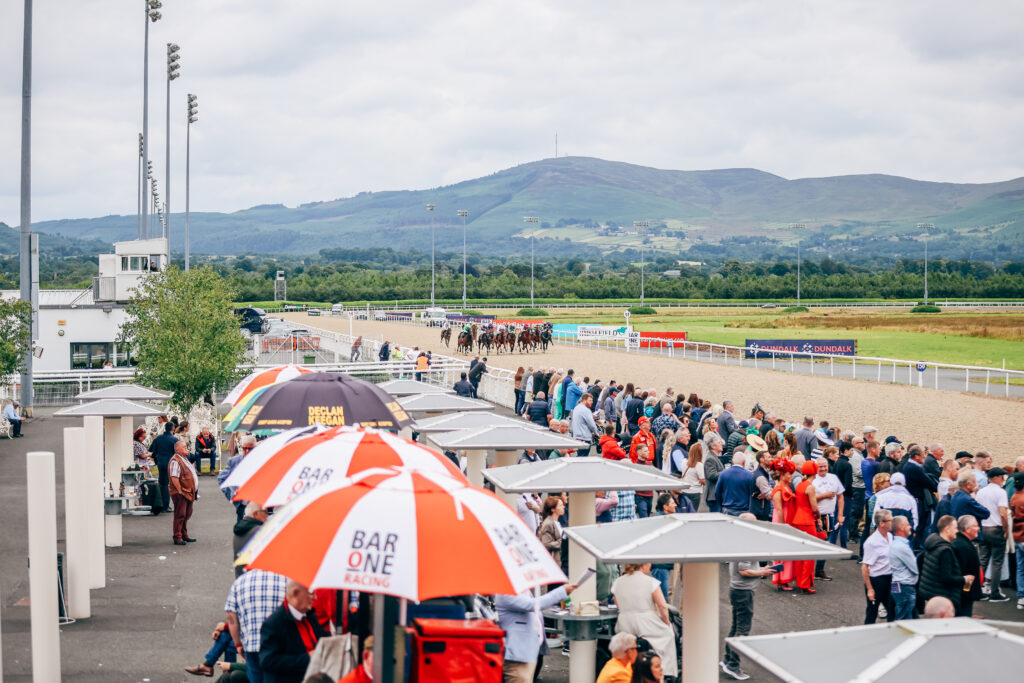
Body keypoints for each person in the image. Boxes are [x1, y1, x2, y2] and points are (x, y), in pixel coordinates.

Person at [721, 513, 776, 681]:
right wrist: (763, 572)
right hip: (743, 592)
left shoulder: (740, 541)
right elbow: (744, 571)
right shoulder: (746, 544)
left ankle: (728, 660)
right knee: (742, 631)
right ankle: (733, 665)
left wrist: (761, 568)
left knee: (735, 627)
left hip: (738, 590)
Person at [495, 580, 578, 682]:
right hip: (517, 656)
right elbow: (532, 604)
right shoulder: (506, 591)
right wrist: (562, 591)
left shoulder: (520, 589)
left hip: (526, 652)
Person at [611, 565, 677, 679]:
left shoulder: (618, 581)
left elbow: (617, 603)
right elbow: (662, 606)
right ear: (643, 565)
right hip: (645, 621)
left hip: (624, 623)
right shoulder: (651, 582)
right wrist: (666, 622)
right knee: (668, 634)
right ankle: (665, 672)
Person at [224, 569, 289, 683]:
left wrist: (238, 644)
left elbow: (231, 616)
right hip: (280, 645)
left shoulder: (240, 582)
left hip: (252, 645)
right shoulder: (287, 581)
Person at [259, 580, 328, 683]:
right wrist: (307, 658)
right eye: (311, 593)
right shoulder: (274, 623)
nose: (315, 597)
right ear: (295, 593)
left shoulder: (309, 616)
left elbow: (322, 637)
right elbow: (267, 661)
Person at [919, 515, 971, 616]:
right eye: (955, 528)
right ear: (947, 529)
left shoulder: (933, 543)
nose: (957, 531)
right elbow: (946, 577)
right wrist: (964, 579)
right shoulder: (945, 550)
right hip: (943, 597)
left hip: (931, 593)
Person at [976, 467, 1011, 602]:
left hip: (983, 528)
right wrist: (1006, 529)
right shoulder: (1000, 492)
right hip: (996, 528)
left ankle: (979, 590)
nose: (1003, 480)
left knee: (983, 560)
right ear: (996, 478)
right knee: (997, 562)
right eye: (1002, 477)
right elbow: (1003, 513)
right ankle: (995, 592)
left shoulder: (981, 492)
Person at [812, 457, 845, 581]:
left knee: (826, 544)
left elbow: (840, 496)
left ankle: (819, 570)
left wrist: (840, 514)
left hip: (829, 516)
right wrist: (824, 495)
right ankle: (810, 570)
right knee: (814, 544)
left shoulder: (833, 478)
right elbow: (808, 499)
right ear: (816, 467)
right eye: (820, 466)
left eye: (825, 466)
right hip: (816, 516)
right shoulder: (812, 479)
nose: (823, 468)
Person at [792, 461, 821, 594]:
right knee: (810, 554)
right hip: (807, 521)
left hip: (797, 519)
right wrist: (819, 518)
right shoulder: (810, 487)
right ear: (814, 473)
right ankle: (805, 583)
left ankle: (799, 581)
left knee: (800, 553)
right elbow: (814, 507)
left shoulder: (800, 485)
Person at [862, 509, 895, 623]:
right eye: (891, 520)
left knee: (892, 610)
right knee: (872, 612)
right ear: (882, 523)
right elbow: (865, 566)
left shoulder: (890, 537)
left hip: (890, 579)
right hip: (877, 581)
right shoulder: (871, 542)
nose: (893, 522)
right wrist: (870, 589)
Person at [952, 514, 983, 616]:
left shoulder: (961, 543)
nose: (978, 528)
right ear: (967, 529)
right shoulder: (964, 547)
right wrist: (967, 592)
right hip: (964, 594)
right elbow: (964, 572)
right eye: (975, 526)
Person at [889, 516, 919, 619]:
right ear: (901, 527)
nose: (910, 527)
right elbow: (915, 568)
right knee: (905, 621)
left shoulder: (895, 544)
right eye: (907, 524)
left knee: (903, 615)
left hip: (897, 584)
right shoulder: (902, 547)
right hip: (905, 587)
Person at [169, 440, 198, 545]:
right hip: (181, 492)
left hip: (188, 491)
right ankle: (177, 537)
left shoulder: (184, 458)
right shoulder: (175, 460)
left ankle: (184, 535)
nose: (187, 448)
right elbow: (174, 477)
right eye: (184, 447)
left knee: (187, 514)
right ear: (178, 450)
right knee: (180, 515)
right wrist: (180, 490)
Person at [149, 421, 179, 515]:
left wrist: (156, 459)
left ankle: (160, 502)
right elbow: (178, 452)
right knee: (166, 484)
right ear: (173, 429)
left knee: (161, 483)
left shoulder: (158, 438)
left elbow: (152, 451)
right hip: (170, 463)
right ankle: (165, 506)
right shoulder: (174, 439)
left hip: (160, 462)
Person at [233, 503, 268, 577]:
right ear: (255, 514)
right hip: (258, 576)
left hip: (241, 576)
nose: (267, 515)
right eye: (265, 511)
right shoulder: (260, 532)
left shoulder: (238, 532)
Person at [537, 496, 564, 565]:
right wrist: (563, 542)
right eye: (560, 505)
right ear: (553, 509)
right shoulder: (548, 523)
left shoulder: (556, 522)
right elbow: (546, 544)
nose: (563, 507)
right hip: (555, 561)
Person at [679, 443, 706, 511]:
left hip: (684, 490)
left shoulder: (684, 462)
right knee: (693, 511)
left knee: (684, 511)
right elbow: (702, 480)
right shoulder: (699, 465)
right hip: (695, 492)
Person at [703, 434, 726, 513]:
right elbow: (711, 475)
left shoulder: (714, 457)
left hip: (716, 495)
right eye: (719, 443)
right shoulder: (710, 458)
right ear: (713, 446)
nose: (722, 444)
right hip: (713, 495)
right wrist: (725, 472)